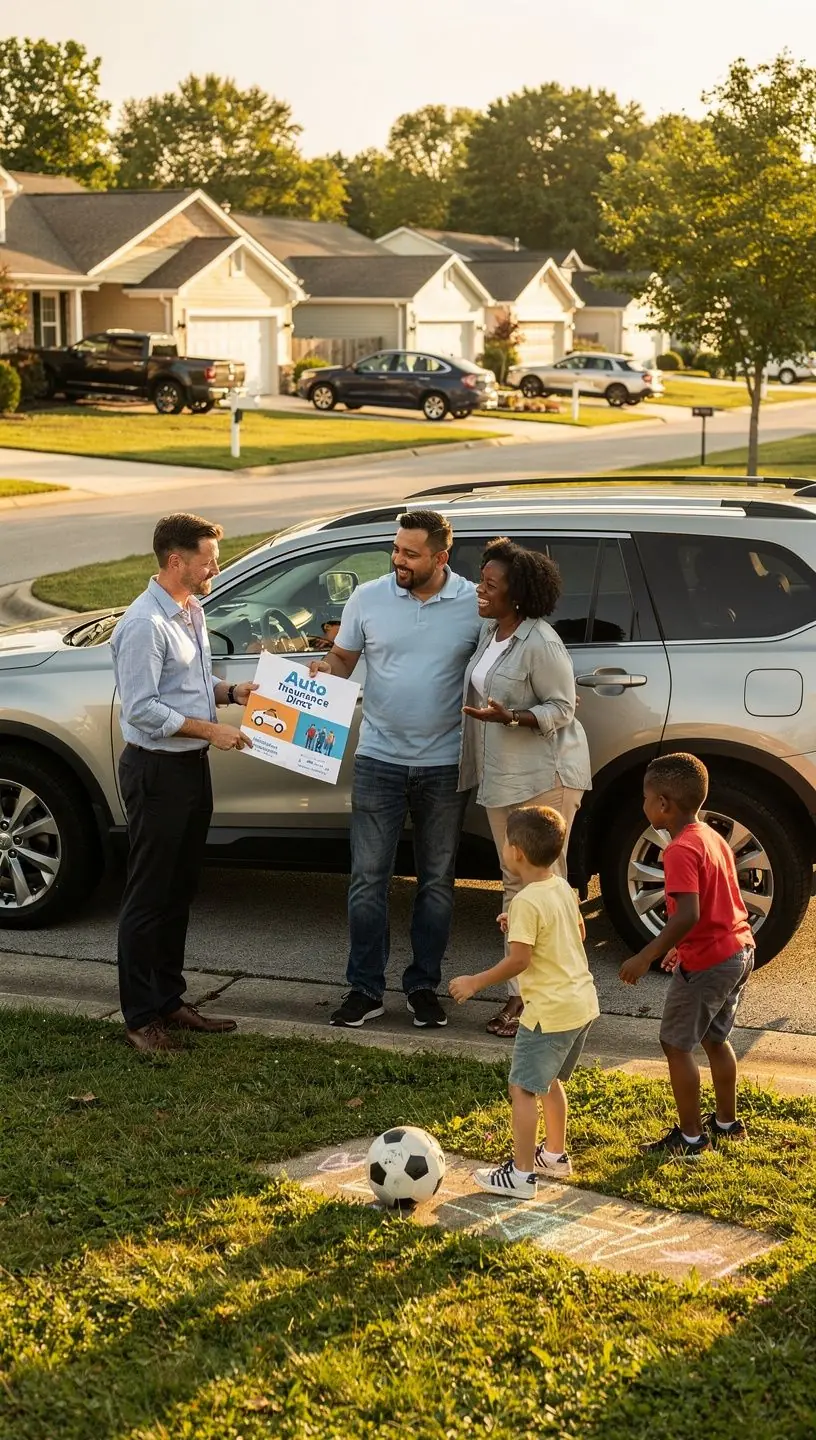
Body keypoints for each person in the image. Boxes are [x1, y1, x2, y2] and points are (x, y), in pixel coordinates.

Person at [310, 510, 481, 1029]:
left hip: (444, 764)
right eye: (396, 549)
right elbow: (344, 659)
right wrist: (326, 669)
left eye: (410, 553)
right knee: (367, 880)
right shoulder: (369, 597)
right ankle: (364, 989)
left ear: (440, 557)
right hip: (379, 759)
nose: (398, 560)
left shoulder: (474, 604)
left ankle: (423, 986)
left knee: (436, 883)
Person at [111, 513, 257, 1055]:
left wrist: (232, 692)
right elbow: (144, 709)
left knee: (179, 890)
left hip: (191, 767)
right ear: (177, 562)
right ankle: (140, 1017)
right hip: (156, 772)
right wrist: (212, 730)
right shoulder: (145, 624)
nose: (214, 567)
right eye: (208, 559)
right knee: (149, 895)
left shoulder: (189, 610)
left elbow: (189, 684)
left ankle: (169, 999)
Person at [459, 538, 591, 1038]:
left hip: (546, 779)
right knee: (515, 886)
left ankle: (543, 1002)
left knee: (545, 889)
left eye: (491, 585)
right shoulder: (492, 631)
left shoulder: (541, 642)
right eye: (482, 580)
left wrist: (511, 716)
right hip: (503, 778)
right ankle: (531, 997)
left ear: (518, 595)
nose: (480, 589)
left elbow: (563, 707)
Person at [450, 806, 599, 1198]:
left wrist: (474, 982)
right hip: (580, 1004)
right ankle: (554, 1155)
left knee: (522, 1089)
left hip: (548, 1012)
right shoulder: (563, 887)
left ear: (515, 851)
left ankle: (520, 1175)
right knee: (546, 1080)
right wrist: (518, 925)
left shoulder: (527, 901)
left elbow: (520, 960)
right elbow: (575, 932)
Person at [619, 754, 755, 1156]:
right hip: (738, 949)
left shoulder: (678, 850)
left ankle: (692, 1138)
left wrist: (645, 955)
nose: (642, 805)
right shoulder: (710, 835)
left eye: (645, 797)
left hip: (711, 960)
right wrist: (681, 947)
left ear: (663, 803)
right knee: (716, 1039)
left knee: (676, 1044)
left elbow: (690, 913)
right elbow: (715, 903)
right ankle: (728, 1124)